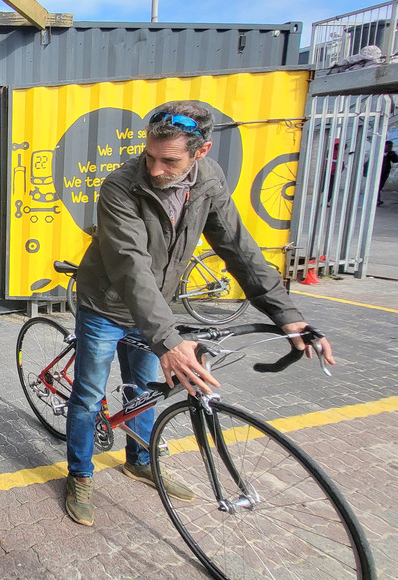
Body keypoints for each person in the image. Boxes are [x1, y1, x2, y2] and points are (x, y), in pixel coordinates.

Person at [64, 101, 336, 528]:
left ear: (201, 151)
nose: (155, 169)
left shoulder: (208, 180)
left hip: (155, 308)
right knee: (87, 395)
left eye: (169, 161)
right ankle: (80, 475)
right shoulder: (120, 185)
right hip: (106, 304)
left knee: (144, 390)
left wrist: (287, 314)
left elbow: (238, 248)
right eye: (150, 156)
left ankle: (140, 460)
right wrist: (168, 341)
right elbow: (131, 266)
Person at [378, 140, 396, 206]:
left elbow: (395, 160)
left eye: (391, 147)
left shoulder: (390, 154)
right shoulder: (379, 152)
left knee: (380, 186)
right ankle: (377, 200)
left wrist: (393, 154)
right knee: (377, 186)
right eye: (389, 147)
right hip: (378, 172)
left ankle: (377, 200)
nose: (390, 148)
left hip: (385, 173)